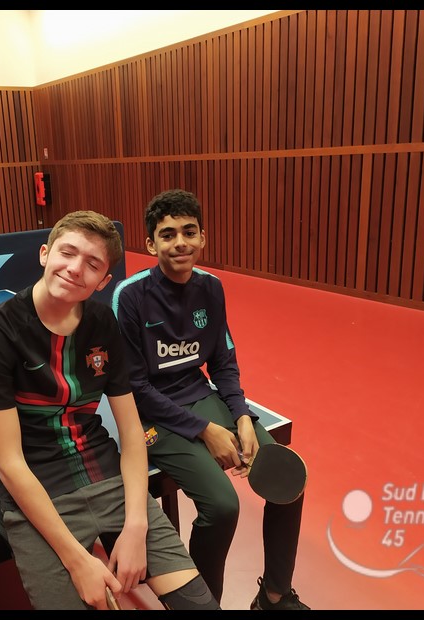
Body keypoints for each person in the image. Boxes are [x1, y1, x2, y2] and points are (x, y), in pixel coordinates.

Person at [0, 210, 220, 610]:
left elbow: (132, 433)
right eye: (67, 252)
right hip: (38, 491)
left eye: (92, 264)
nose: (74, 268)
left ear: (102, 281)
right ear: (45, 253)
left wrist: (136, 527)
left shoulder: (102, 323)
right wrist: (78, 560)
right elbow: (10, 464)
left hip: (106, 475)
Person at [111, 189, 310, 610]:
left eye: (189, 232)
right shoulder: (130, 296)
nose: (179, 242)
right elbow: (134, 388)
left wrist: (241, 416)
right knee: (222, 506)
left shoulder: (212, 288)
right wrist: (205, 430)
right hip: (151, 416)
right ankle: (205, 606)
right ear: (151, 244)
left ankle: (274, 595)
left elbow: (222, 362)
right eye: (167, 235)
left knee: (288, 483)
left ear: (203, 237)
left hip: (201, 395)